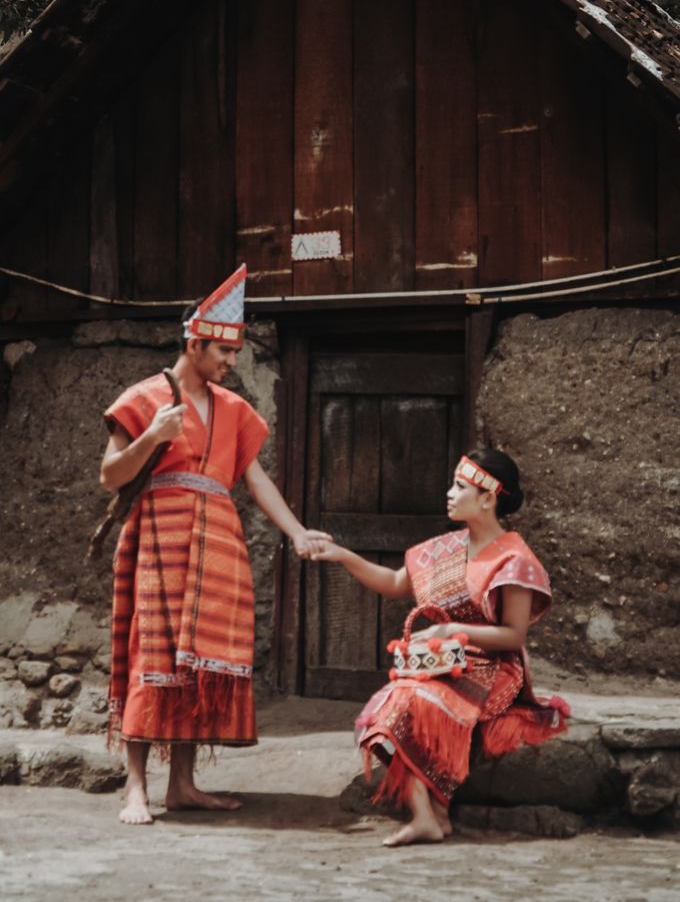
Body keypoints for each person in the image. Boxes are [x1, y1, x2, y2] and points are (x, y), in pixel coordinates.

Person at [100, 265, 328, 825]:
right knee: (151, 658)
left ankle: (183, 785)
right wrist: (153, 435)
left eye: (234, 352)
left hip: (218, 544)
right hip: (159, 537)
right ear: (194, 342)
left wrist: (296, 531)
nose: (231, 363)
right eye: (223, 352)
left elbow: (255, 479)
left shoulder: (233, 410)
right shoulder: (145, 397)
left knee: (197, 666)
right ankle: (137, 788)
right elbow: (110, 475)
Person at [311, 448, 570, 847]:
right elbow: (396, 583)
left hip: (494, 667)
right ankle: (434, 816)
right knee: (400, 698)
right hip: (445, 660)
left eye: (460, 486)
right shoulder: (445, 548)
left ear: (487, 498)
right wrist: (342, 555)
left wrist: (448, 629)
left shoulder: (516, 560)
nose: (449, 493)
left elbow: (513, 637)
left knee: (412, 701)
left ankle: (428, 816)